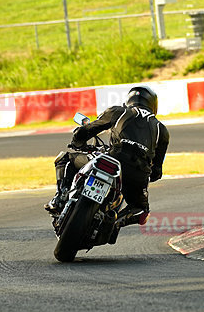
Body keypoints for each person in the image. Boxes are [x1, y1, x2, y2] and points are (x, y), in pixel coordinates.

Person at [45, 86, 169, 228]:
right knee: (142, 211)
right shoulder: (161, 129)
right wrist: (148, 175)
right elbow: (157, 170)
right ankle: (116, 222)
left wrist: (77, 142)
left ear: (129, 100)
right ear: (153, 104)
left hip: (113, 158)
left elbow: (88, 129)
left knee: (65, 159)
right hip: (136, 174)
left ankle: (60, 198)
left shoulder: (119, 111)